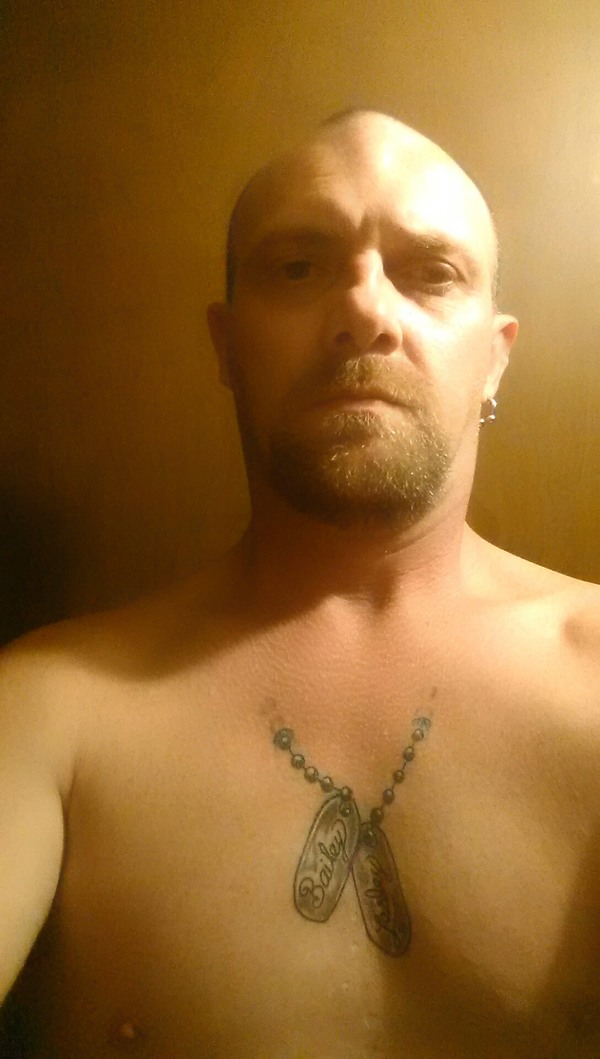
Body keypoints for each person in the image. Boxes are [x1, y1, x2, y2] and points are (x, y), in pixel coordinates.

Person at [1, 108, 599, 1059]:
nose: (366, 310)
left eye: (430, 273)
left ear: (495, 356)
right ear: (228, 345)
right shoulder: (48, 713)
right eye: (297, 266)